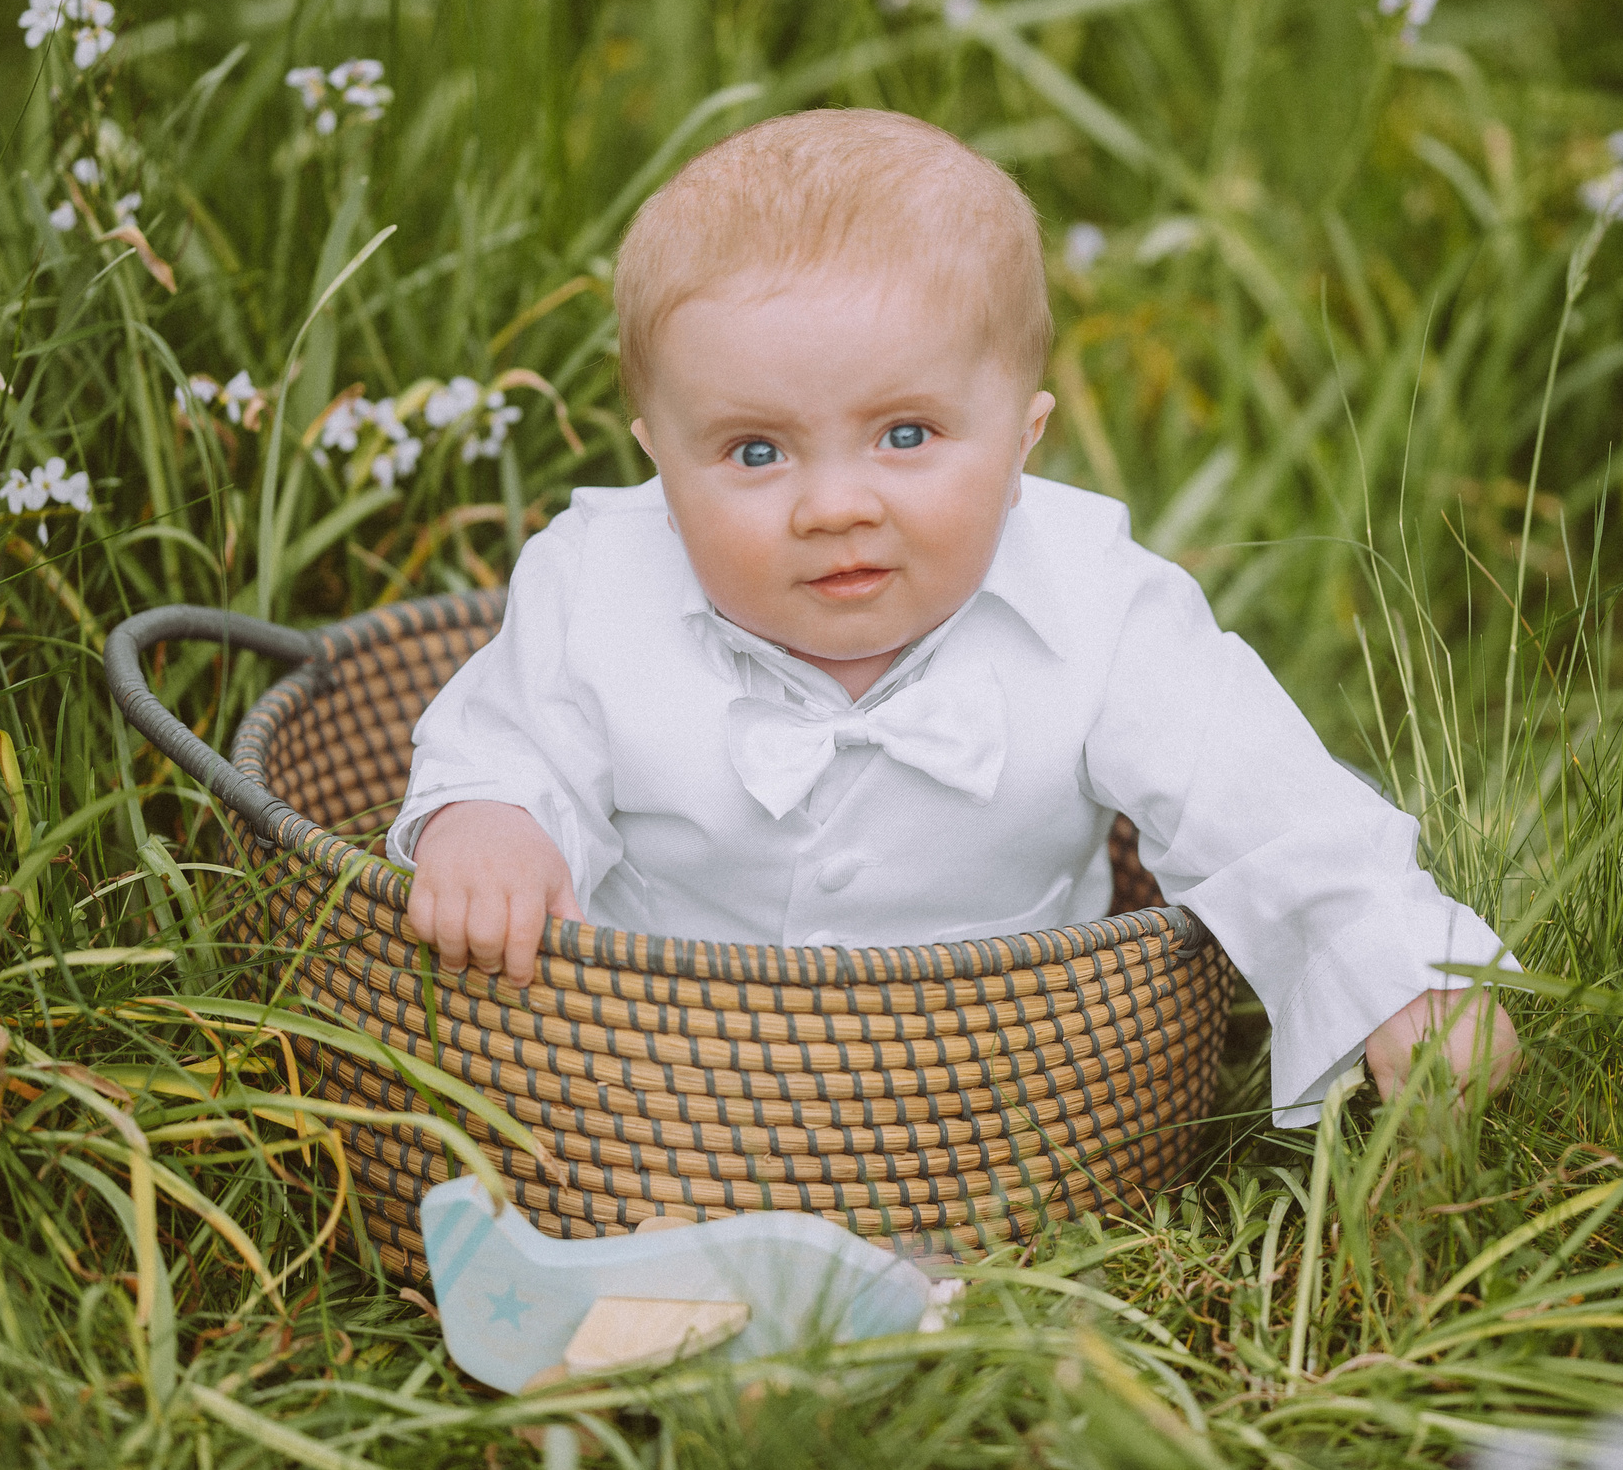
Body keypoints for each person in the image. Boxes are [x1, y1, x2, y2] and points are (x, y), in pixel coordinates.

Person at [388, 108, 1518, 1124]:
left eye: (907, 436)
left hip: (998, 1095)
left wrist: (1397, 961)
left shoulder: (1095, 597)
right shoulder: (596, 580)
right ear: (659, 460)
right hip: (650, 1079)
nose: (834, 505)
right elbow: (508, 732)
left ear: (1023, 442)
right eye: (754, 450)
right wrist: (492, 818)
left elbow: (1260, 790)